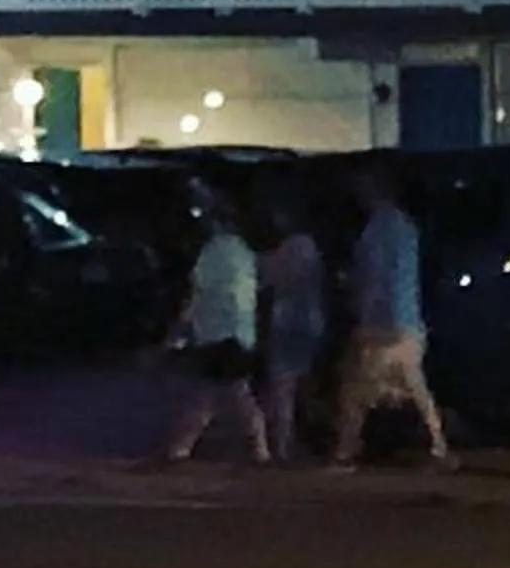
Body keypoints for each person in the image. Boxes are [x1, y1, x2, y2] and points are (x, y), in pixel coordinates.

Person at [331, 166, 454, 469]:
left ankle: (347, 450)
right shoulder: (405, 227)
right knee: (415, 387)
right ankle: (437, 445)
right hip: (407, 320)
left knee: (355, 390)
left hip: (382, 323)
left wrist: (362, 314)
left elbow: (374, 278)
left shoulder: (378, 228)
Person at [164, 184, 269, 464]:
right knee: (229, 393)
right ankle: (258, 450)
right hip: (238, 332)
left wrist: (180, 330)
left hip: (218, 332)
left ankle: (182, 449)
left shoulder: (215, 250)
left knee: (218, 393)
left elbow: (200, 293)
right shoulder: (243, 251)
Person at [256, 198, 331, 463]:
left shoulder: (290, 247)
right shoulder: (311, 246)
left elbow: (268, 278)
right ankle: (295, 441)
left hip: (288, 323)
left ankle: (283, 445)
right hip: (310, 323)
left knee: (283, 387)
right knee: (300, 386)